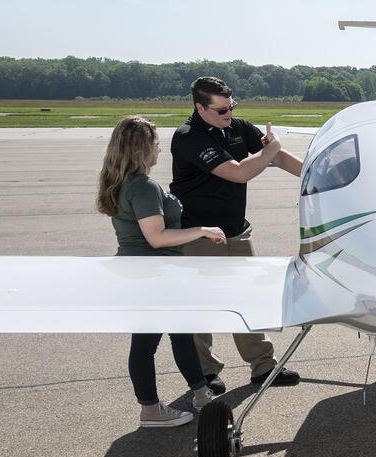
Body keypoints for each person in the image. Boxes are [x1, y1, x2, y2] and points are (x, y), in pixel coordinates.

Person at [169, 76, 305, 394]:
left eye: (231, 106)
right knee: (203, 304)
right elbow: (239, 172)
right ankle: (204, 373)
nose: (228, 114)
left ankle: (263, 366)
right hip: (199, 235)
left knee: (247, 299)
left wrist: (318, 175)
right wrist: (272, 147)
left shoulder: (237, 127)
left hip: (236, 231)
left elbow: (277, 157)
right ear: (200, 107)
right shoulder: (188, 137)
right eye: (221, 110)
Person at [96, 116, 227, 427]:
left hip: (149, 273)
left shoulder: (124, 183)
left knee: (181, 334)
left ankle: (200, 394)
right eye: (156, 144)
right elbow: (156, 237)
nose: (159, 149)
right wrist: (203, 230)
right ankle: (151, 410)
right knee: (146, 344)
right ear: (141, 149)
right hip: (152, 275)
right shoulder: (143, 187)